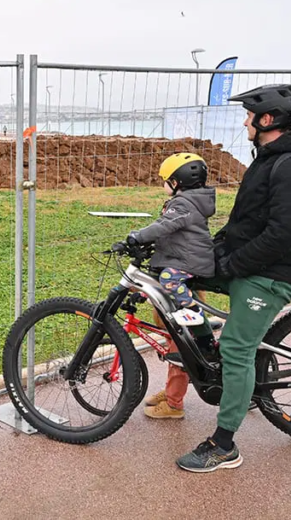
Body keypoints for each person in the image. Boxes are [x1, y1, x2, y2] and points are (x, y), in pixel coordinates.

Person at [176, 83, 291, 473]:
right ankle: (206, 356)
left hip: (272, 274)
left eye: (249, 115)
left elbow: (283, 235)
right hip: (251, 264)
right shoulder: (270, 157)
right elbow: (248, 221)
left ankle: (223, 445)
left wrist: (231, 265)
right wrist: (207, 254)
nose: (245, 122)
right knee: (173, 280)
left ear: (268, 119)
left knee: (237, 349)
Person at [126, 153, 216, 420]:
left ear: (177, 182)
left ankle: (174, 403)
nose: (163, 184)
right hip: (178, 263)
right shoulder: (189, 202)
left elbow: (165, 226)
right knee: (173, 336)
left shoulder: (183, 203)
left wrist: (137, 236)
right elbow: (174, 234)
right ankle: (171, 393)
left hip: (182, 270)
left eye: (165, 180)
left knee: (180, 339)